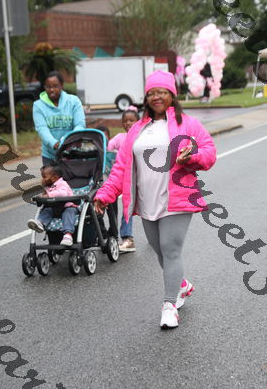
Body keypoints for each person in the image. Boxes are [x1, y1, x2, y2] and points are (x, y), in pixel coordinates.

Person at [93, 70, 216, 329]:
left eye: (162, 92)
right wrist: (105, 195)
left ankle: (169, 306)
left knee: (170, 250)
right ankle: (181, 285)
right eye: (151, 93)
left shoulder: (188, 124)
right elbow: (121, 168)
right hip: (146, 201)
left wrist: (192, 157)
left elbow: (209, 152)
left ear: (172, 95)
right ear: (146, 98)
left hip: (177, 198)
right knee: (160, 251)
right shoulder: (137, 130)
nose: (156, 97)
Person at [33, 71, 86, 166]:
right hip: (50, 155)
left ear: (61, 86)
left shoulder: (74, 101)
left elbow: (80, 124)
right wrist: (55, 144)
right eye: (48, 87)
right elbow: (42, 129)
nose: (52, 90)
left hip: (72, 151)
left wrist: (69, 141)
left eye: (55, 86)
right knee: (50, 176)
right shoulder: (38, 106)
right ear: (44, 87)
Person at [107, 106, 139, 253]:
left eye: (132, 120)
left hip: (139, 178)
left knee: (146, 209)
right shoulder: (120, 138)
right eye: (125, 121)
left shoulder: (143, 137)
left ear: (138, 122)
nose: (128, 123)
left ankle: (157, 232)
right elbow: (108, 148)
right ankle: (125, 237)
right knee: (125, 207)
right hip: (122, 178)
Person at [27, 164, 78, 246]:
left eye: (44, 177)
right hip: (55, 208)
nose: (42, 180)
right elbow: (45, 196)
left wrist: (48, 195)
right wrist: (41, 198)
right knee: (47, 210)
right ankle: (40, 223)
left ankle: (68, 235)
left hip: (67, 207)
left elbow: (63, 194)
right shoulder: (48, 186)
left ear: (54, 177)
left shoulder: (62, 183)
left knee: (68, 213)